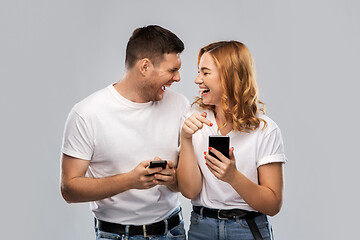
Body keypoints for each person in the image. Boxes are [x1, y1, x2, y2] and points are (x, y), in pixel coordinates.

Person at [60, 25, 189, 240]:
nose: (177, 78)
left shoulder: (179, 105)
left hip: (173, 231)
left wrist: (171, 178)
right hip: (118, 235)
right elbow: (69, 189)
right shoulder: (87, 114)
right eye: (172, 70)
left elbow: (186, 184)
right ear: (145, 66)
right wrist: (130, 180)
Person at [177, 41, 287, 240]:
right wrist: (185, 138)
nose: (197, 80)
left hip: (247, 229)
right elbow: (190, 191)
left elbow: (272, 204)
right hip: (202, 228)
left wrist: (233, 177)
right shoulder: (193, 120)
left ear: (229, 76)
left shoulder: (265, 130)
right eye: (198, 72)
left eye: (205, 72)